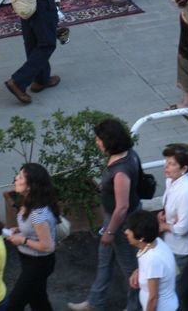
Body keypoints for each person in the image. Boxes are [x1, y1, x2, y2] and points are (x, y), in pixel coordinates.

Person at [68, 119, 142, 311]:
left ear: (110, 140)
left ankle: (134, 306)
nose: (97, 142)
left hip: (121, 222)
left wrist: (110, 232)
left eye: (99, 139)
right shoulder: (129, 155)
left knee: (130, 268)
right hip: (117, 218)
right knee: (105, 260)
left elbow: (122, 207)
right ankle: (95, 302)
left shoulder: (121, 170)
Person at [4, 163, 59, 311]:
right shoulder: (30, 202)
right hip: (30, 261)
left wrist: (22, 239)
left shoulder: (37, 213)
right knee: (38, 300)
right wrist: (19, 230)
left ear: (30, 186)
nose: (16, 178)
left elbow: (48, 246)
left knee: (14, 305)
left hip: (38, 264)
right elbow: (33, 228)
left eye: (21, 177)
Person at [157, 145, 188, 311]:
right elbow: (171, 205)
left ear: (184, 169)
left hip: (185, 249)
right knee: (187, 288)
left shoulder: (187, 190)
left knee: (175, 289)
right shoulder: (172, 180)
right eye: (166, 162)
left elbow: (183, 227)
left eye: (171, 164)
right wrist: (165, 214)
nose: (166, 167)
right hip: (174, 244)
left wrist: (164, 226)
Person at [125, 210, 179, 311]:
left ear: (141, 237)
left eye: (130, 230)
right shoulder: (155, 242)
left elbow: (153, 298)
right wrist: (138, 271)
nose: (126, 232)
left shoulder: (152, 259)